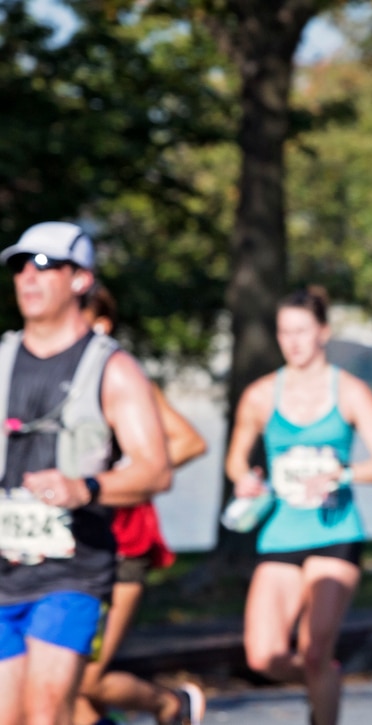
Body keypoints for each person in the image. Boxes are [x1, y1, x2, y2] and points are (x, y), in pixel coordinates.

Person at [0, 222, 171, 725]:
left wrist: (85, 486)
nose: (29, 277)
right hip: (4, 569)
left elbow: (156, 471)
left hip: (72, 571)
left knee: (48, 712)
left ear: (81, 280)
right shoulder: (3, 360)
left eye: (46, 265)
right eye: (20, 266)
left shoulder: (114, 369)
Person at [225, 285, 372, 725]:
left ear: (323, 331)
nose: (293, 342)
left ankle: (321, 691)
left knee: (314, 649)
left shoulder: (351, 392)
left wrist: (340, 473)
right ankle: (326, 679)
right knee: (262, 655)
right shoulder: (261, 395)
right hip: (280, 532)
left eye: (302, 331)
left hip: (335, 532)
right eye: (285, 333)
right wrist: (244, 479)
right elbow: (234, 459)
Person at [73, 284, 209, 725]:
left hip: (124, 540)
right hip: (67, 544)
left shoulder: (124, 380)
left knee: (86, 678)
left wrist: (135, 470)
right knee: (65, 687)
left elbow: (189, 441)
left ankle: (171, 704)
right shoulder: (58, 384)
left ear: (101, 324)